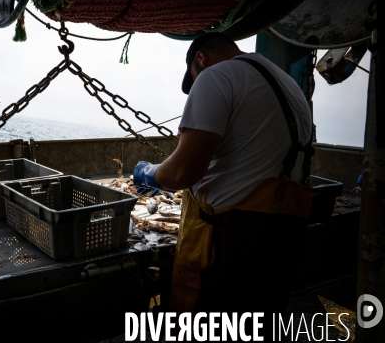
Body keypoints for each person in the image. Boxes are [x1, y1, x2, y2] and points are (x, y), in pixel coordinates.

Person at [133, 32, 314, 336]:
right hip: (284, 239)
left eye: (194, 77)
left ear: (200, 59)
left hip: (231, 243)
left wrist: (149, 174)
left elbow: (183, 173)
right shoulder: (288, 83)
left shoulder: (215, 75)